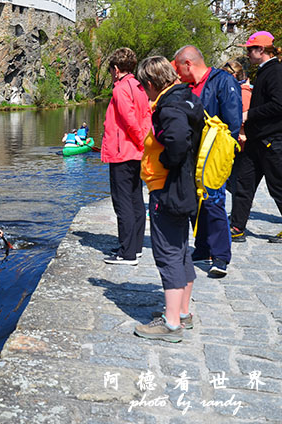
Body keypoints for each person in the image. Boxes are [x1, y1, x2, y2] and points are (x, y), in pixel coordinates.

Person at [134, 55, 205, 342]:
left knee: (168, 255)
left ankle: (172, 324)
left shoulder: (169, 106)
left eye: (145, 87)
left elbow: (176, 141)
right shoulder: (187, 97)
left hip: (169, 189)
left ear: (151, 83)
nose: (145, 93)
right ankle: (183, 312)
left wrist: (163, 158)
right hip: (186, 186)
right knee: (180, 249)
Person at [173, 45, 242, 277]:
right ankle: (202, 248)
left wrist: (223, 154)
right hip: (192, 154)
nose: (177, 73)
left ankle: (220, 256)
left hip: (213, 153)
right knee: (195, 202)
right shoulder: (187, 87)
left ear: (188, 64)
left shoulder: (222, 81)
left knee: (214, 201)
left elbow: (232, 122)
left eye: (178, 67)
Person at [101, 47, 152, 265]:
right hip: (136, 152)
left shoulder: (121, 89)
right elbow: (147, 116)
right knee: (135, 200)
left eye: (111, 70)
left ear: (115, 69)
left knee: (123, 203)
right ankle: (135, 246)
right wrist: (144, 145)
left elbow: (130, 119)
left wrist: (139, 140)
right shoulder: (138, 86)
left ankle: (127, 253)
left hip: (123, 152)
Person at [230, 31, 282, 244]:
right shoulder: (265, 71)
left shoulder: (275, 72)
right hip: (256, 140)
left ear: (261, 50)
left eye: (251, 49)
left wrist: (248, 115)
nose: (248, 53)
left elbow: (279, 105)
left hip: (272, 140)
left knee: (278, 186)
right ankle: (236, 227)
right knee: (243, 183)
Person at [221, 60, 252, 193]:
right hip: (232, 139)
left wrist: (241, 131)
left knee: (236, 179)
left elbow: (243, 116)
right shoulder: (234, 90)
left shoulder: (243, 92)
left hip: (240, 141)